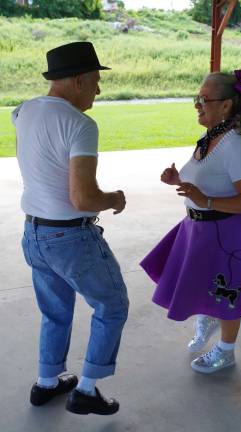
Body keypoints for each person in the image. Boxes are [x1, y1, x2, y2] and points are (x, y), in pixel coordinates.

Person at [140, 70, 241, 374]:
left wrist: (206, 200)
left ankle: (226, 351)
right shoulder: (212, 136)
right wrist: (179, 179)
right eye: (197, 98)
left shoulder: (237, 144)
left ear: (226, 104)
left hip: (229, 233)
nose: (197, 104)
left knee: (229, 292)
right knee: (205, 283)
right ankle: (208, 317)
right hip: (200, 229)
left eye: (203, 99)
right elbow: (209, 179)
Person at [12, 42, 129, 415]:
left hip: (34, 235)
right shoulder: (80, 124)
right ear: (78, 80)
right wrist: (114, 199)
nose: (99, 89)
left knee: (55, 310)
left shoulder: (23, 111)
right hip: (70, 238)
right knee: (112, 306)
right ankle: (87, 390)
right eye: (95, 80)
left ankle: (47, 383)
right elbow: (83, 198)